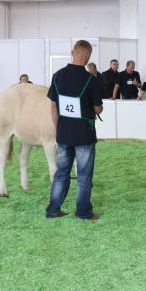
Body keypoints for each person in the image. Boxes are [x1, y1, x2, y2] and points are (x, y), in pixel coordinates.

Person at [44, 40, 103, 221]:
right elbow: (97, 108)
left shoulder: (57, 76)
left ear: (72, 52)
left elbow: (53, 106)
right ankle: (83, 212)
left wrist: (57, 128)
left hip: (63, 132)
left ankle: (53, 210)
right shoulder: (90, 80)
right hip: (84, 134)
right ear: (88, 56)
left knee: (61, 172)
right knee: (84, 175)